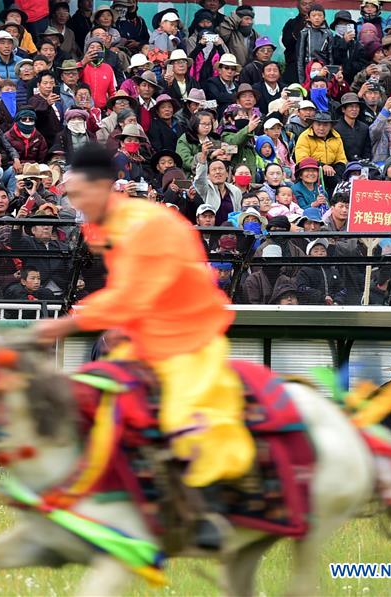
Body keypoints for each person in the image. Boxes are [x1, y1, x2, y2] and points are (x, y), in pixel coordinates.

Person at [36, 144, 254, 550]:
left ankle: (206, 513)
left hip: (190, 332)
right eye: (70, 195)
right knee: (98, 396)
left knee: (180, 415)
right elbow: (128, 291)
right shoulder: (100, 227)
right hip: (146, 332)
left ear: (103, 187)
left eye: (78, 194)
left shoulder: (145, 225)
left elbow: (134, 293)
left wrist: (65, 324)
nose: (74, 203)